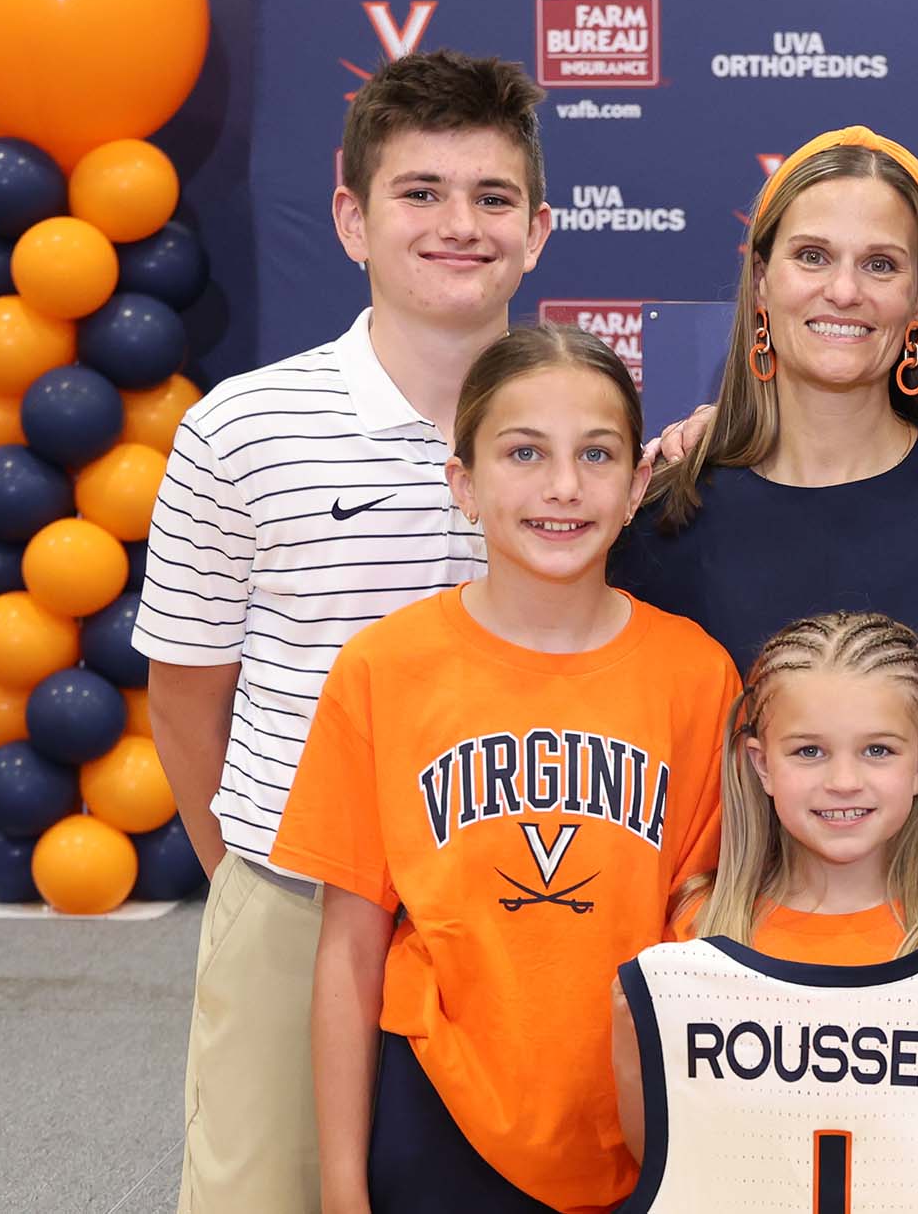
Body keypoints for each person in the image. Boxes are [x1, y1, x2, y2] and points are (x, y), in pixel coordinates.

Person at [134, 48, 553, 1212]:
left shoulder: (587, 429)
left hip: (516, 897)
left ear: (539, 230)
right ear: (351, 219)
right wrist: (255, 883)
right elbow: (185, 694)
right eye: (419, 192)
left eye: (492, 197)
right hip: (294, 893)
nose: (457, 224)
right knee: (265, 1190)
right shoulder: (241, 430)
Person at [270, 327, 738, 1214]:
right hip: (441, 1106)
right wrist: (340, 1185)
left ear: (638, 484)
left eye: (596, 453)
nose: (562, 486)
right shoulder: (383, 670)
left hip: (641, 1115)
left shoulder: (697, 674)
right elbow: (349, 948)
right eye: (524, 452)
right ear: (464, 484)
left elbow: (709, 926)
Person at [613, 125, 918, 885]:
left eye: (880, 264)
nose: (843, 291)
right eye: (812, 256)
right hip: (729, 977)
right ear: (761, 277)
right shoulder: (662, 519)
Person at [609, 611, 918, 1210]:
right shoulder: (703, 927)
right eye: (809, 750)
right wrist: (633, 1042)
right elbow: (673, 1156)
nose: (843, 781)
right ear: (760, 764)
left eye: (877, 750)